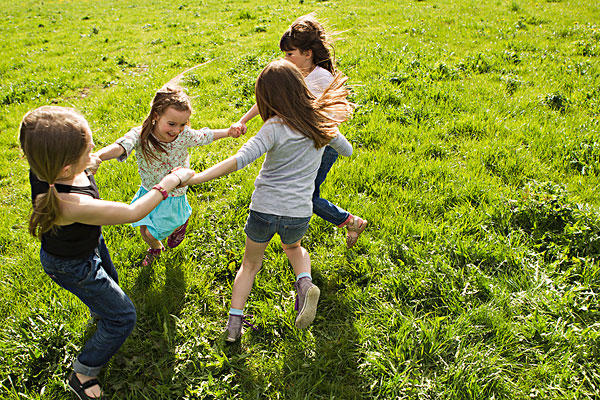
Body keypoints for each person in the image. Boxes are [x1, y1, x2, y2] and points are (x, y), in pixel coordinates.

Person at [19, 106, 194, 400]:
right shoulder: (70, 204)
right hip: (71, 265)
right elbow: (132, 212)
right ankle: (84, 371)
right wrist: (169, 182)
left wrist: (87, 165)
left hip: (87, 245)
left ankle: (102, 312)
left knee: (109, 283)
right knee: (123, 317)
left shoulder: (45, 164)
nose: (94, 154)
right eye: (88, 151)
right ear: (64, 168)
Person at [188, 59, 354, 342]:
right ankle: (304, 282)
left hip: (264, 209)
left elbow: (239, 160)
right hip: (298, 211)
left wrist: (196, 178)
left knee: (250, 265)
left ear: (267, 97)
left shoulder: (274, 126)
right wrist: (328, 133)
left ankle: (233, 326)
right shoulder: (320, 122)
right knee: (294, 248)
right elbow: (347, 150)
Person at [231, 13, 367, 248]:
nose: (285, 58)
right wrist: (243, 120)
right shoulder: (296, 73)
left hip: (321, 145)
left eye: (289, 54)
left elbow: (301, 112)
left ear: (308, 53)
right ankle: (341, 223)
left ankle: (350, 222)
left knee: (305, 197)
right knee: (302, 194)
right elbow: (271, 95)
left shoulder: (320, 78)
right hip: (306, 143)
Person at [91, 86, 240, 266]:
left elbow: (204, 135)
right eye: (172, 124)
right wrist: (97, 156)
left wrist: (228, 132)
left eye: (183, 124)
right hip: (148, 190)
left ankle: (179, 223)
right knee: (143, 229)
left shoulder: (184, 136)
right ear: (156, 116)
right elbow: (121, 146)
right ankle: (156, 248)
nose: (177, 130)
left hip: (173, 194)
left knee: (151, 232)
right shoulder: (141, 135)